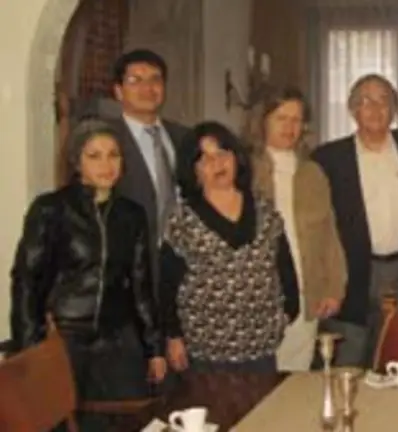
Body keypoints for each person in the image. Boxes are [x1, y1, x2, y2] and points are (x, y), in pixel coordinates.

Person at [9, 119, 166, 431]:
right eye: (94, 156)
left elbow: (141, 284)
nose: (106, 165)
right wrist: (30, 350)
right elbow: (26, 281)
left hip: (117, 340)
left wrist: (154, 348)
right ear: (76, 161)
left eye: (113, 155)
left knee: (126, 423)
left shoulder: (131, 214)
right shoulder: (51, 209)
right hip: (64, 340)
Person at [161, 121, 299, 373]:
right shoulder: (182, 221)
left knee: (263, 412)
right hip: (204, 353)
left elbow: (285, 270)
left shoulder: (266, 214)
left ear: (236, 159)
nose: (217, 163)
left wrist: (287, 314)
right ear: (194, 171)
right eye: (205, 159)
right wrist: (173, 336)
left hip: (261, 350)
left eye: (223, 154)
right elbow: (166, 285)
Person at [312, 74, 398, 367]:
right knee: (349, 358)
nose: (375, 108)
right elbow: (316, 227)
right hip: (355, 271)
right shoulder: (329, 158)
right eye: (366, 101)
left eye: (383, 100)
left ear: (394, 109)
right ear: (353, 110)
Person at [249, 85, 346, 372]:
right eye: (282, 118)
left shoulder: (312, 173)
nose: (290, 127)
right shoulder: (245, 169)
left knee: (297, 377)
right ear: (263, 120)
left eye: (297, 120)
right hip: (257, 298)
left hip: (307, 293)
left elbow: (329, 236)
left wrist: (334, 287)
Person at [108, 49, 189, 305]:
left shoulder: (184, 137)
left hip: (184, 269)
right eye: (135, 80)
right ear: (118, 91)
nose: (148, 87)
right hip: (128, 276)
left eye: (155, 79)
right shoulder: (104, 141)